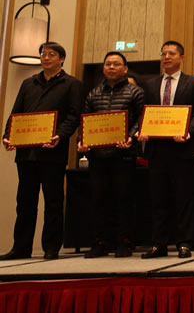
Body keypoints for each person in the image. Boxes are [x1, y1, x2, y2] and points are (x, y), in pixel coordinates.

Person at [0, 42, 82, 260]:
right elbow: (16, 114)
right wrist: (8, 135)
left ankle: (51, 247)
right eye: (43, 54)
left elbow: (73, 116)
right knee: (25, 202)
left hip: (52, 152)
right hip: (26, 153)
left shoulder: (71, 84)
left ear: (61, 59)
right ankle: (21, 247)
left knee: (53, 201)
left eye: (51, 54)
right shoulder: (29, 83)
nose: (46, 58)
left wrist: (60, 135)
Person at [138, 41, 194, 259]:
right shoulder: (150, 84)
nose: (166, 57)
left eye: (171, 53)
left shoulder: (192, 83)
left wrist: (188, 131)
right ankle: (159, 244)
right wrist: (142, 130)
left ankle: (184, 243)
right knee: (158, 199)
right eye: (164, 53)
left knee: (183, 198)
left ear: (181, 58)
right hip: (156, 150)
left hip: (181, 149)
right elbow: (144, 114)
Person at [77, 51, 144, 258]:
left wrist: (131, 137)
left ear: (125, 68)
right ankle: (100, 243)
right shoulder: (93, 93)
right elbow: (85, 120)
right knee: (98, 200)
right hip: (98, 156)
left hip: (124, 155)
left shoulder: (135, 92)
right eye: (108, 64)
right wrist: (82, 140)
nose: (112, 67)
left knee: (124, 199)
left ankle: (125, 242)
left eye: (116, 64)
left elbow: (141, 119)